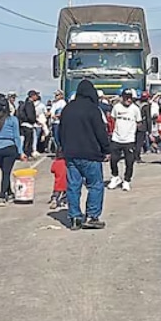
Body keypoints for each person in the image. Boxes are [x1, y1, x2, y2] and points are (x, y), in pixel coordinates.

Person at [59, 79, 110, 230]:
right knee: (95, 185)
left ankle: (75, 218)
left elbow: (60, 131)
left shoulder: (67, 109)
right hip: (91, 155)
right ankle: (92, 216)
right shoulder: (93, 109)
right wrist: (106, 149)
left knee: (73, 186)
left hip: (71, 155)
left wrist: (63, 147)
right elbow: (101, 132)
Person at [108, 89, 142, 191]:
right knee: (113, 160)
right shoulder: (116, 107)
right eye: (126, 97)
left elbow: (139, 122)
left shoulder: (135, 109)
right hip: (116, 138)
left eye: (130, 98)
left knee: (129, 161)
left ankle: (126, 181)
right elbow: (112, 119)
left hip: (129, 140)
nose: (128, 100)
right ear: (122, 97)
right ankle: (115, 177)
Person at [17, 90, 41, 158]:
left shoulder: (25, 103)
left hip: (24, 124)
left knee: (26, 140)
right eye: (36, 95)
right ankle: (27, 154)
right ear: (32, 96)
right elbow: (30, 115)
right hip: (28, 124)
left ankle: (25, 153)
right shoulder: (29, 104)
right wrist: (33, 120)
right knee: (28, 141)